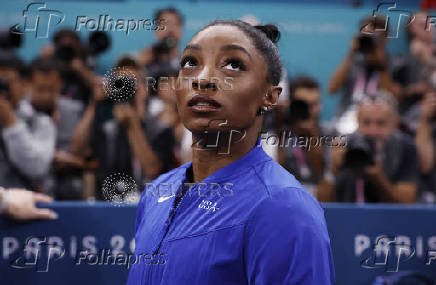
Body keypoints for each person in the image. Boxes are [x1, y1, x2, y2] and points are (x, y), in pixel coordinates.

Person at [127, 20, 335, 284]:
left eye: (233, 65)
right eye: (191, 62)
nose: (203, 80)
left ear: (270, 96)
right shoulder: (158, 191)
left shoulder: (285, 208)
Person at [71, 57, 175, 200]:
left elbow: (152, 170)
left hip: (146, 207)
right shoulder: (106, 128)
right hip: (107, 207)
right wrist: (94, 104)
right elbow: (77, 149)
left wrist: (132, 124)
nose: (126, 88)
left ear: (145, 89)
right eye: (120, 83)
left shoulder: (160, 129)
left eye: (132, 82)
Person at [318, 92, 418, 203]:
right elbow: (321, 204)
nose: (372, 131)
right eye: (366, 123)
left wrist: (377, 177)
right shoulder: (344, 145)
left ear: (394, 123)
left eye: (381, 123)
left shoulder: (405, 148)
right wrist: (332, 171)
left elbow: (406, 205)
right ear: (357, 121)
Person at [329, 15, 401, 135]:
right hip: (347, 118)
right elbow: (332, 88)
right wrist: (351, 53)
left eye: (375, 37)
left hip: (378, 119)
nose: (371, 40)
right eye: (367, 36)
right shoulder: (352, 62)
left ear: (386, 38)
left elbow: (395, 98)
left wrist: (380, 65)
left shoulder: (395, 63)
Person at [0, 52, 56, 191]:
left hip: (28, 206)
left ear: (24, 84)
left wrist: (10, 122)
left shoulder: (41, 122)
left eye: (6, 82)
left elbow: (36, 167)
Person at [278, 76, 326, 196]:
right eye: (304, 105)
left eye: (314, 104)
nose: (309, 111)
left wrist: (312, 136)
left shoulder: (329, 133)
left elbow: (321, 176)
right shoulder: (279, 133)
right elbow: (276, 175)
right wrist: (278, 124)